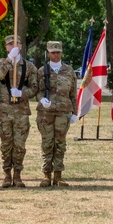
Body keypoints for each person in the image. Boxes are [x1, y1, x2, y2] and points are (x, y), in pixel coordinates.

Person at [0, 35, 40, 188]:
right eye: (10, 44)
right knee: (6, 144)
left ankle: (18, 175)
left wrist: (22, 92)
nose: (13, 46)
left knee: (19, 145)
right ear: (6, 47)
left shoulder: (29, 67)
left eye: (16, 44)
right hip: (4, 111)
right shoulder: (0, 63)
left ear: (21, 46)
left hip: (21, 111)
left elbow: (34, 88)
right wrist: (9, 60)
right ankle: (7, 174)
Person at [36, 41, 78, 187]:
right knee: (47, 143)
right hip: (45, 113)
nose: (56, 55)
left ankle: (58, 176)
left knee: (60, 144)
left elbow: (73, 93)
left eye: (58, 52)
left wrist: (74, 112)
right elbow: (38, 91)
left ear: (61, 53)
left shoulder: (69, 71)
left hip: (63, 112)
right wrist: (42, 99)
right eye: (53, 52)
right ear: (48, 53)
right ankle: (46, 175)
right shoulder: (42, 71)